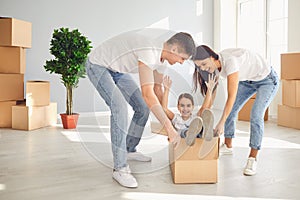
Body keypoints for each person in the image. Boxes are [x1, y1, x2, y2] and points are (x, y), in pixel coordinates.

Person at [85, 29, 196, 188]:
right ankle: (120, 168)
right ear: (174, 50)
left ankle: (129, 149)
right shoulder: (149, 51)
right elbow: (147, 94)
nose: (181, 62)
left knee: (142, 108)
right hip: (98, 65)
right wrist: (169, 129)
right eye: (182, 58)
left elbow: (157, 92)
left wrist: (172, 122)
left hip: (118, 71)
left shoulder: (162, 60)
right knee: (119, 107)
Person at [193, 45, 279, 176]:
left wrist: (221, 123)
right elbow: (212, 95)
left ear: (212, 57)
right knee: (231, 111)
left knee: (256, 115)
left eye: (204, 64)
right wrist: (201, 114)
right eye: (200, 67)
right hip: (246, 80)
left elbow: (231, 97)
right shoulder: (214, 68)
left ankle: (252, 158)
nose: (203, 68)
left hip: (267, 80)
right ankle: (228, 145)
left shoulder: (230, 62)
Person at [161, 75, 216, 146]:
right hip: (183, 139)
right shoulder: (176, 118)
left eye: (188, 106)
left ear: (193, 107)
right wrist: (166, 90)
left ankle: (206, 131)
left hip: (197, 137)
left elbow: (204, 108)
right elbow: (164, 108)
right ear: (178, 107)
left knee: (201, 119)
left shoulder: (195, 118)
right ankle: (189, 134)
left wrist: (209, 90)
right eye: (182, 105)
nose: (185, 109)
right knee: (185, 131)